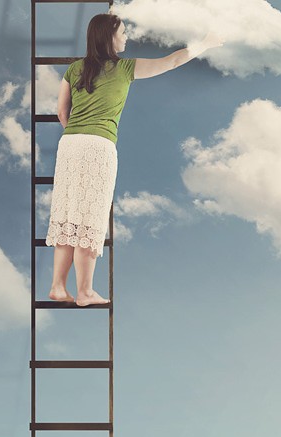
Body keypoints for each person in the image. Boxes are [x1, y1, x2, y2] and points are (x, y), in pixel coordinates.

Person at [46, 13, 223, 306]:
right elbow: (173, 61)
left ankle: (57, 286)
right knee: (90, 219)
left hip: (70, 146)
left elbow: (61, 113)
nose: (126, 37)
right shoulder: (124, 68)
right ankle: (85, 292)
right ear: (109, 37)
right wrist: (205, 44)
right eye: (123, 32)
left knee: (67, 216)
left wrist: (80, 133)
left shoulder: (75, 69)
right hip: (98, 147)